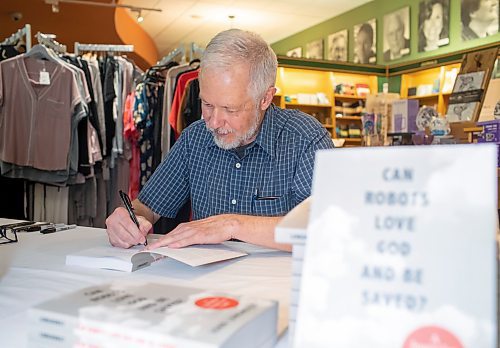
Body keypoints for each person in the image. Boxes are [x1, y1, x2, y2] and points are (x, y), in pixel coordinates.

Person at [105, 29, 334, 252]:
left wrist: (230, 225)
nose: (213, 122)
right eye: (207, 105)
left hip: (279, 285)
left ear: (265, 98)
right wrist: (128, 219)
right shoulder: (195, 138)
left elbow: (325, 228)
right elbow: (147, 207)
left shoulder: (306, 139)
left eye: (229, 109)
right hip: (206, 282)